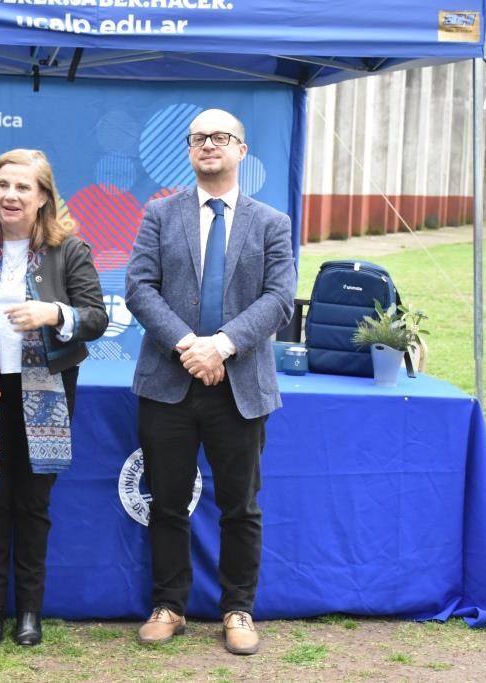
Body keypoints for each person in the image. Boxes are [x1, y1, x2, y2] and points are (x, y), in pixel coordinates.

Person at [125, 109, 296, 655]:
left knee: (240, 506)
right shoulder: (159, 215)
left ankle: (238, 609)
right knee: (168, 502)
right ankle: (169, 605)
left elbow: (279, 300)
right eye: (198, 138)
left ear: (242, 150)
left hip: (239, 387)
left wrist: (220, 346)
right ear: (190, 150)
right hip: (168, 382)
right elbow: (139, 288)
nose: (208, 146)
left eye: (219, 138)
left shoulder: (272, 222)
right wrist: (188, 346)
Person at [0, 149, 106, 648]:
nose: (11, 195)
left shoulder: (71, 251)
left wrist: (53, 314)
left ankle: (30, 611)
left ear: (43, 197)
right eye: (2, 185)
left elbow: (96, 318)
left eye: (23, 187)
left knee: (33, 504)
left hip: (47, 391)